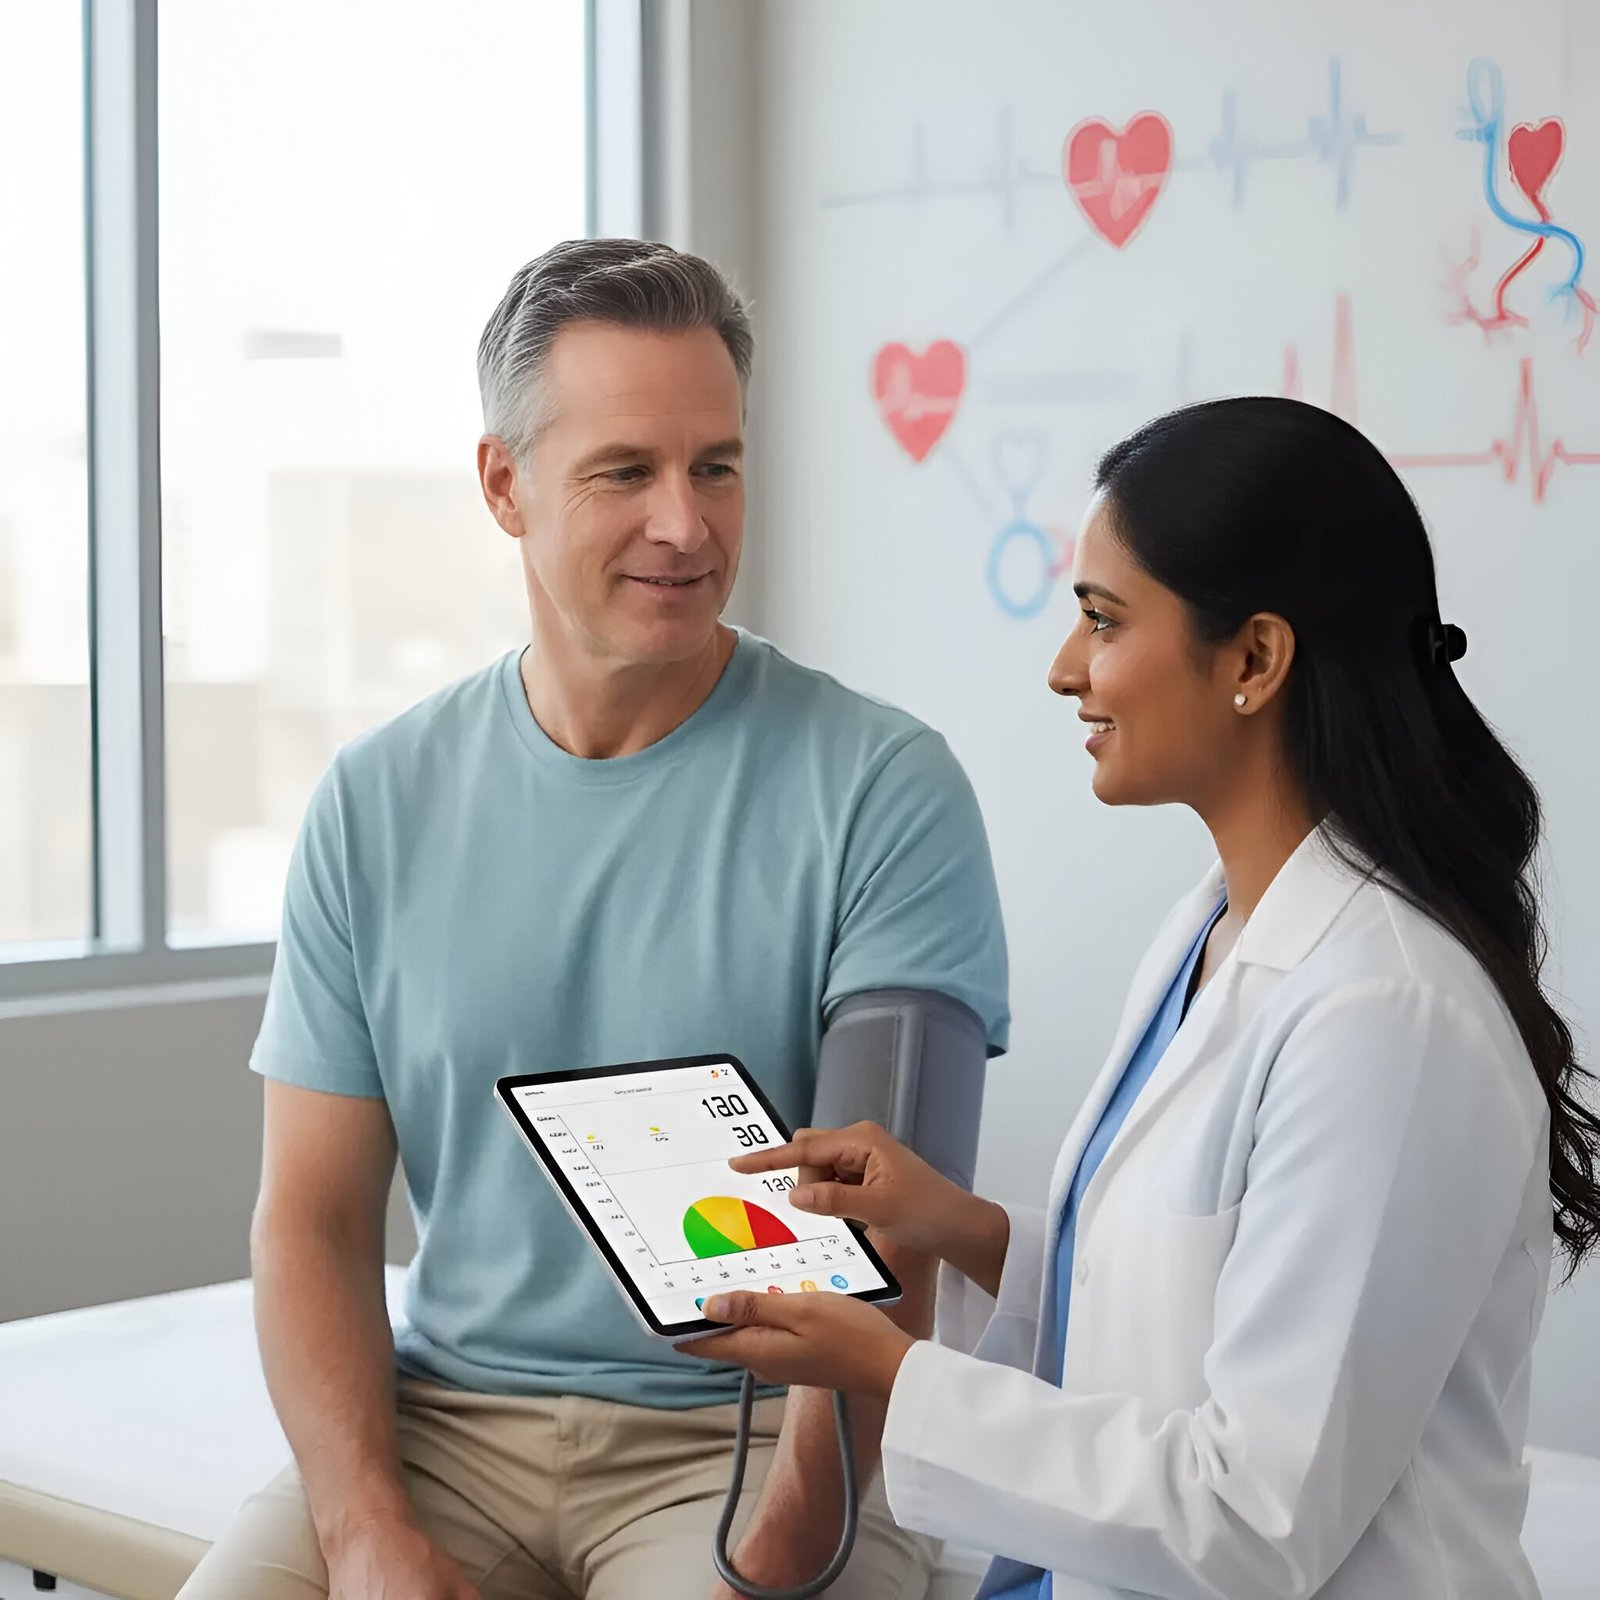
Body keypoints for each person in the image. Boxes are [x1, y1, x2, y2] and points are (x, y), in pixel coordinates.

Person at [177, 238, 1009, 1600]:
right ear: (505, 485)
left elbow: (890, 1241)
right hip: (446, 1427)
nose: (686, 524)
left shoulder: (881, 787)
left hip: (752, 1432)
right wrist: (362, 1531)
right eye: (626, 471)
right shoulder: (378, 801)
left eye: (717, 466)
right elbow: (312, 1222)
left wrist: (791, 1532)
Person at [683, 397, 1600, 1599]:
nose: (1066, 669)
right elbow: (1169, 1309)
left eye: (1103, 621)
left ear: (1256, 660)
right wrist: (958, 1226)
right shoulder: (1210, 931)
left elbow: (1255, 1516)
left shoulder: (1387, 1016)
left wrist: (896, 1376)